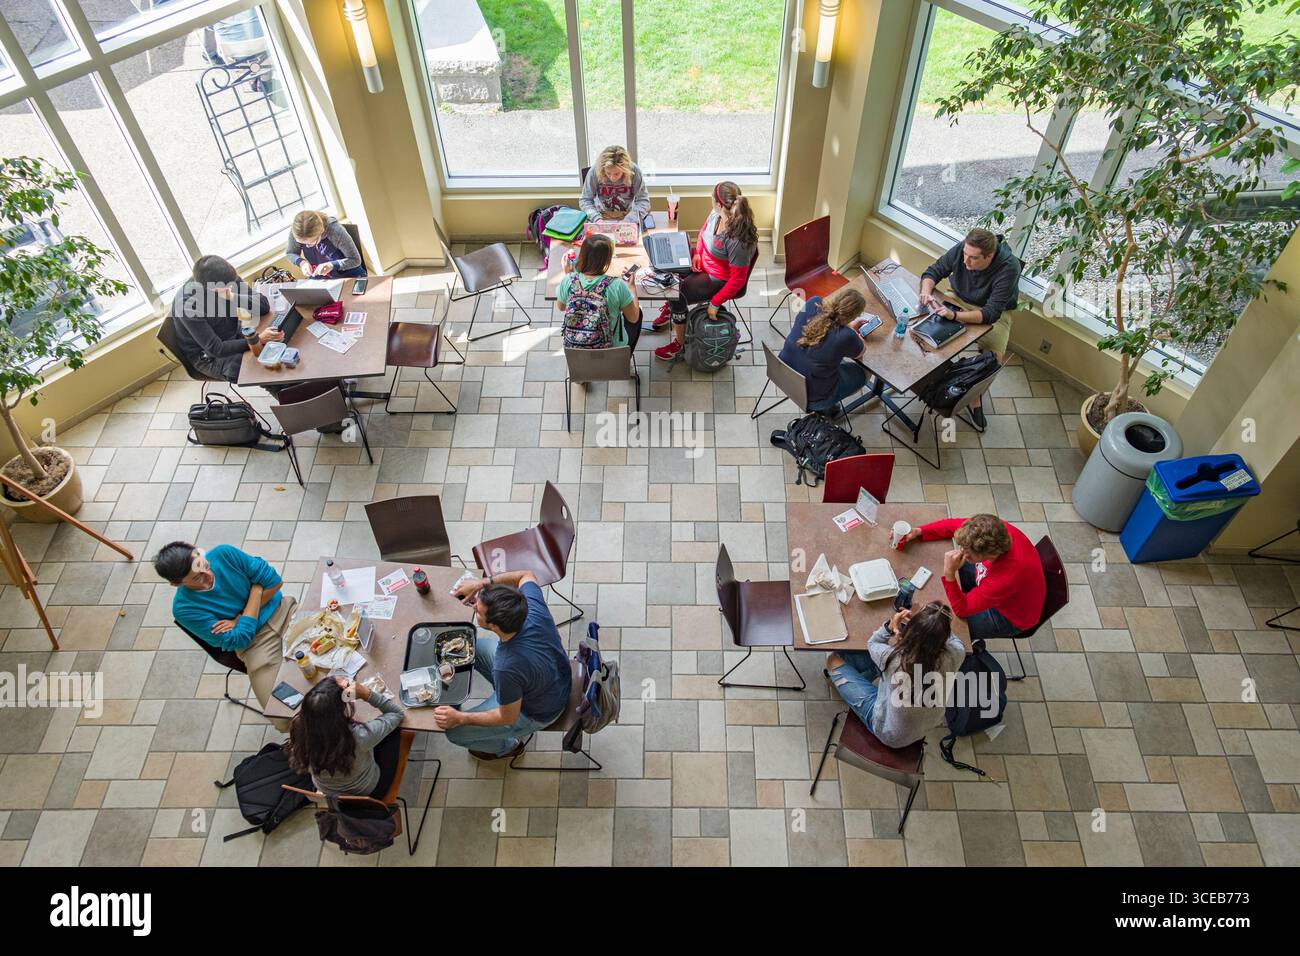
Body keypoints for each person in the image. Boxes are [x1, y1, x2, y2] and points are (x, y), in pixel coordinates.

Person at [153, 541, 296, 725]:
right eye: (197, 578)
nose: (208, 575)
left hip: (286, 612)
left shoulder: (224, 553)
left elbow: (275, 582)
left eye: (204, 565)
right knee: (284, 716)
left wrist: (238, 619)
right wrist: (257, 589)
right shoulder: (184, 609)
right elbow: (237, 639)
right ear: (176, 584)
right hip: (256, 647)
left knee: (340, 650)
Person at [435, 570, 571, 760]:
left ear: (495, 626)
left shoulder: (506, 666)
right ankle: (506, 694)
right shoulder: (531, 607)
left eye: (478, 610)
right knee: (472, 648)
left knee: (455, 733)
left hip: (539, 711)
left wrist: (460, 718)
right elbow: (526, 575)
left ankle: (509, 747)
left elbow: (507, 717)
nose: (473, 606)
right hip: (555, 676)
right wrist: (481, 584)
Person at [826, 602, 968, 748]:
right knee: (879, 665)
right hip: (929, 723)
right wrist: (930, 624)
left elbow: (873, 643)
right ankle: (866, 678)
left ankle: (863, 681)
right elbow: (952, 639)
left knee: (833, 660)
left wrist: (891, 625)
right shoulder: (956, 653)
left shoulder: (893, 659)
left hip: (889, 734)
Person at [919, 227, 1021, 426]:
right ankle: (929, 376)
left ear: (989, 256)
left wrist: (955, 316)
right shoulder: (965, 249)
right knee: (927, 332)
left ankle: (974, 398)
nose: (965, 262)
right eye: (965, 254)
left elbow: (991, 313)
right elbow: (934, 271)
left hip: (991, 312)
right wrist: (926, 291)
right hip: (958, 297)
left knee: (994, 360)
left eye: (973, 258)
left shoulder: (1010, 267)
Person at [895, 513, 1045, 642]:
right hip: (1003, 588)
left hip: (1008, 617)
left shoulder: (1005, 578)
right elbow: (954, 525)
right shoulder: (994, 530)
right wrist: (919, 531)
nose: (962, 552)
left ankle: (967, 647)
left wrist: (949, 574)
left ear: (988, 554)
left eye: (968, 552)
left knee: (940, 628)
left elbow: (962, 609)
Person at [653, 181, 758, 362]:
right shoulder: (716, 214)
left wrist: (715, 303)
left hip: (718, 277)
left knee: (677, 293)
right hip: (704, 262)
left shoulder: (738, 240)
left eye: (712, 199)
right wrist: (698, 254)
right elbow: (703, 233)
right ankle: (671, 310)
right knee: (668, 265)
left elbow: (738, 281)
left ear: (719, 204)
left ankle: (679, 344)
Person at [170, 255, 282, 387]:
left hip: (232, 333)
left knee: (278, 347)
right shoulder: (187, 305)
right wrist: (256, 340)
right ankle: (283, 394)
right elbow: (216, 349)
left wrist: (233, 296)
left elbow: (263, 306)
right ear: (211, 287)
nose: (232, 285)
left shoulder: (225, 276)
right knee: (265, 371)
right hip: (208, 356)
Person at [285, 676, 405, 799]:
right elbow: (397, 714)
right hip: (366, 789)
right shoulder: (358, 736)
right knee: (395, 732)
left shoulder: (297, 727)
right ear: (339, 712)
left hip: (328, 790)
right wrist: (366, 694)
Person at [778, 287, 871, 412]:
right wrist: (853, 332)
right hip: (813, 400)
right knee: (866, 372)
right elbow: (861, 351)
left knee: (825, 361)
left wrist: (847, 329)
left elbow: (825, 329)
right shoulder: (847, 335)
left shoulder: (813, 302)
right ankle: (827, 407)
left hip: (781, 374)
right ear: (854, 316)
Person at [557, 233, 643, 351]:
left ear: (582, 255)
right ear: (607, 261)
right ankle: (625, 359)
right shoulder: (617, 286)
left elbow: (561, 307)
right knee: (638, 313)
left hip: (575, 350)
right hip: (610, 351)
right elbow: (633, 318)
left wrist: (568, 275)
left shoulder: (568, 280)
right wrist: (632, 287)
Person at [285, 210, 366, 279]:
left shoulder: (335, 231)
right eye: (302, 243)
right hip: (321, 278)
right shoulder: (297, 232)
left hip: (348, 274)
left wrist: (332, 265)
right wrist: (302, 263)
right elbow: (290, 253)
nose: (307, 246)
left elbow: (355, 260)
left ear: (322, 231)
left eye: (312, 242)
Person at [578, 145, 650, 223]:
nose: (612, 178)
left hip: (627, 215)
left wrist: (629, 220)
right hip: (600, 215)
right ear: (603, 169)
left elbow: (643, 201)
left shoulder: (634, 172)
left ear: (625, 169)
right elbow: (585, 200)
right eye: (608, 173)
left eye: (617, 173)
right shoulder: (594, 171)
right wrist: (596, 218)